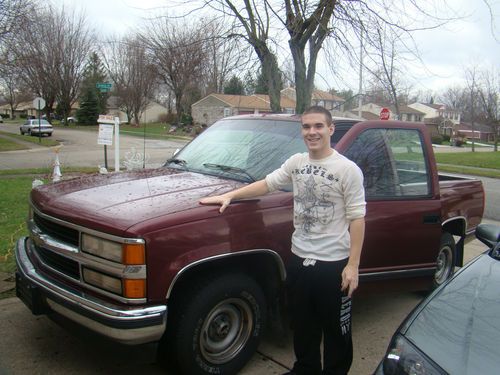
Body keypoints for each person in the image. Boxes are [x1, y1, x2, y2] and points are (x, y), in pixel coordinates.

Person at [199, 106, 366, 375]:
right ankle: (306, 369)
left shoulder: (348, 170)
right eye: (307, 127)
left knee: (337, 328)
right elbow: (267, 184)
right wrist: (231, 196)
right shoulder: (297, 163)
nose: (312, 132)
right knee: (302, 323)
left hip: (333, 264)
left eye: (318, 126)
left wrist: (353, 266)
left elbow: (357, 218)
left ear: (330, 129)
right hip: (299, 259)